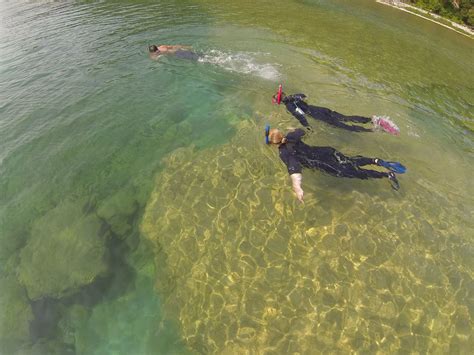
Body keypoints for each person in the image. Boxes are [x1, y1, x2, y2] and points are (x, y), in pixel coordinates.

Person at [265, 126, 406, 202]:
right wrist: (293, 129)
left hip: (324, 163)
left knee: (353, 173)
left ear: (273, 144)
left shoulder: (284, 153)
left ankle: (387, 175)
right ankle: (375, 160)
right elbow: (302, 131)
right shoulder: (291, 136)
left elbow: (294, 169)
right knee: (350, 160)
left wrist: (297, 187)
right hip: (327, 151)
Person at [274, 92, 399, 135]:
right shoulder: (293, 97)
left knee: (344, 126)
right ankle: (371, 120)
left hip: (317, 115)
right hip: (321, 109)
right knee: (345, 118)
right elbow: (305, 96)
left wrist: (307, 126)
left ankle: (372, 130)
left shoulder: (289, 106)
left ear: (279, 102)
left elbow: (300, 115)